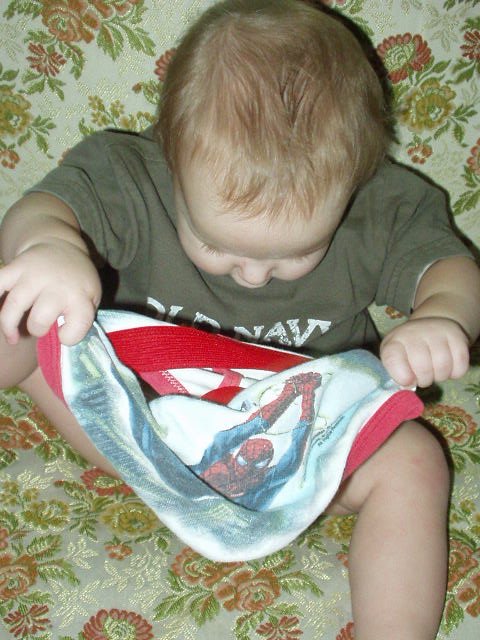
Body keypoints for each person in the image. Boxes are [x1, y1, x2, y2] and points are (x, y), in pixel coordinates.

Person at [0, 0, 479, 637]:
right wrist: (50, 247)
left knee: (415, 462)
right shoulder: (127, 175)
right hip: (133, 415)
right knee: (18, 307)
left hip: (299, 447)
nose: (252, 275)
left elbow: (451, 268)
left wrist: (442, 314)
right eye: (216, 244)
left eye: (295, 254)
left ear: (357, 184)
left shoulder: (381, 206)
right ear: (170, 156)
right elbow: (38, 210)